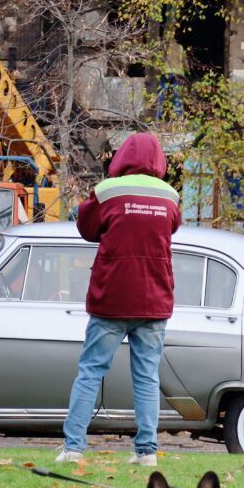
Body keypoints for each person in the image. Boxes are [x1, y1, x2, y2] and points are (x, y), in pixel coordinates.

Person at [58, 133, 182, 467]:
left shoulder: (107, 191)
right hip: (155, 300)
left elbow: (86, 227)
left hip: (111, 298)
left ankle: (73, 448)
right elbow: (172, 229)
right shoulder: (170, 195)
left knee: (90, 372)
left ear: (122, 156)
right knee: (147, 377)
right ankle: (146, 452)